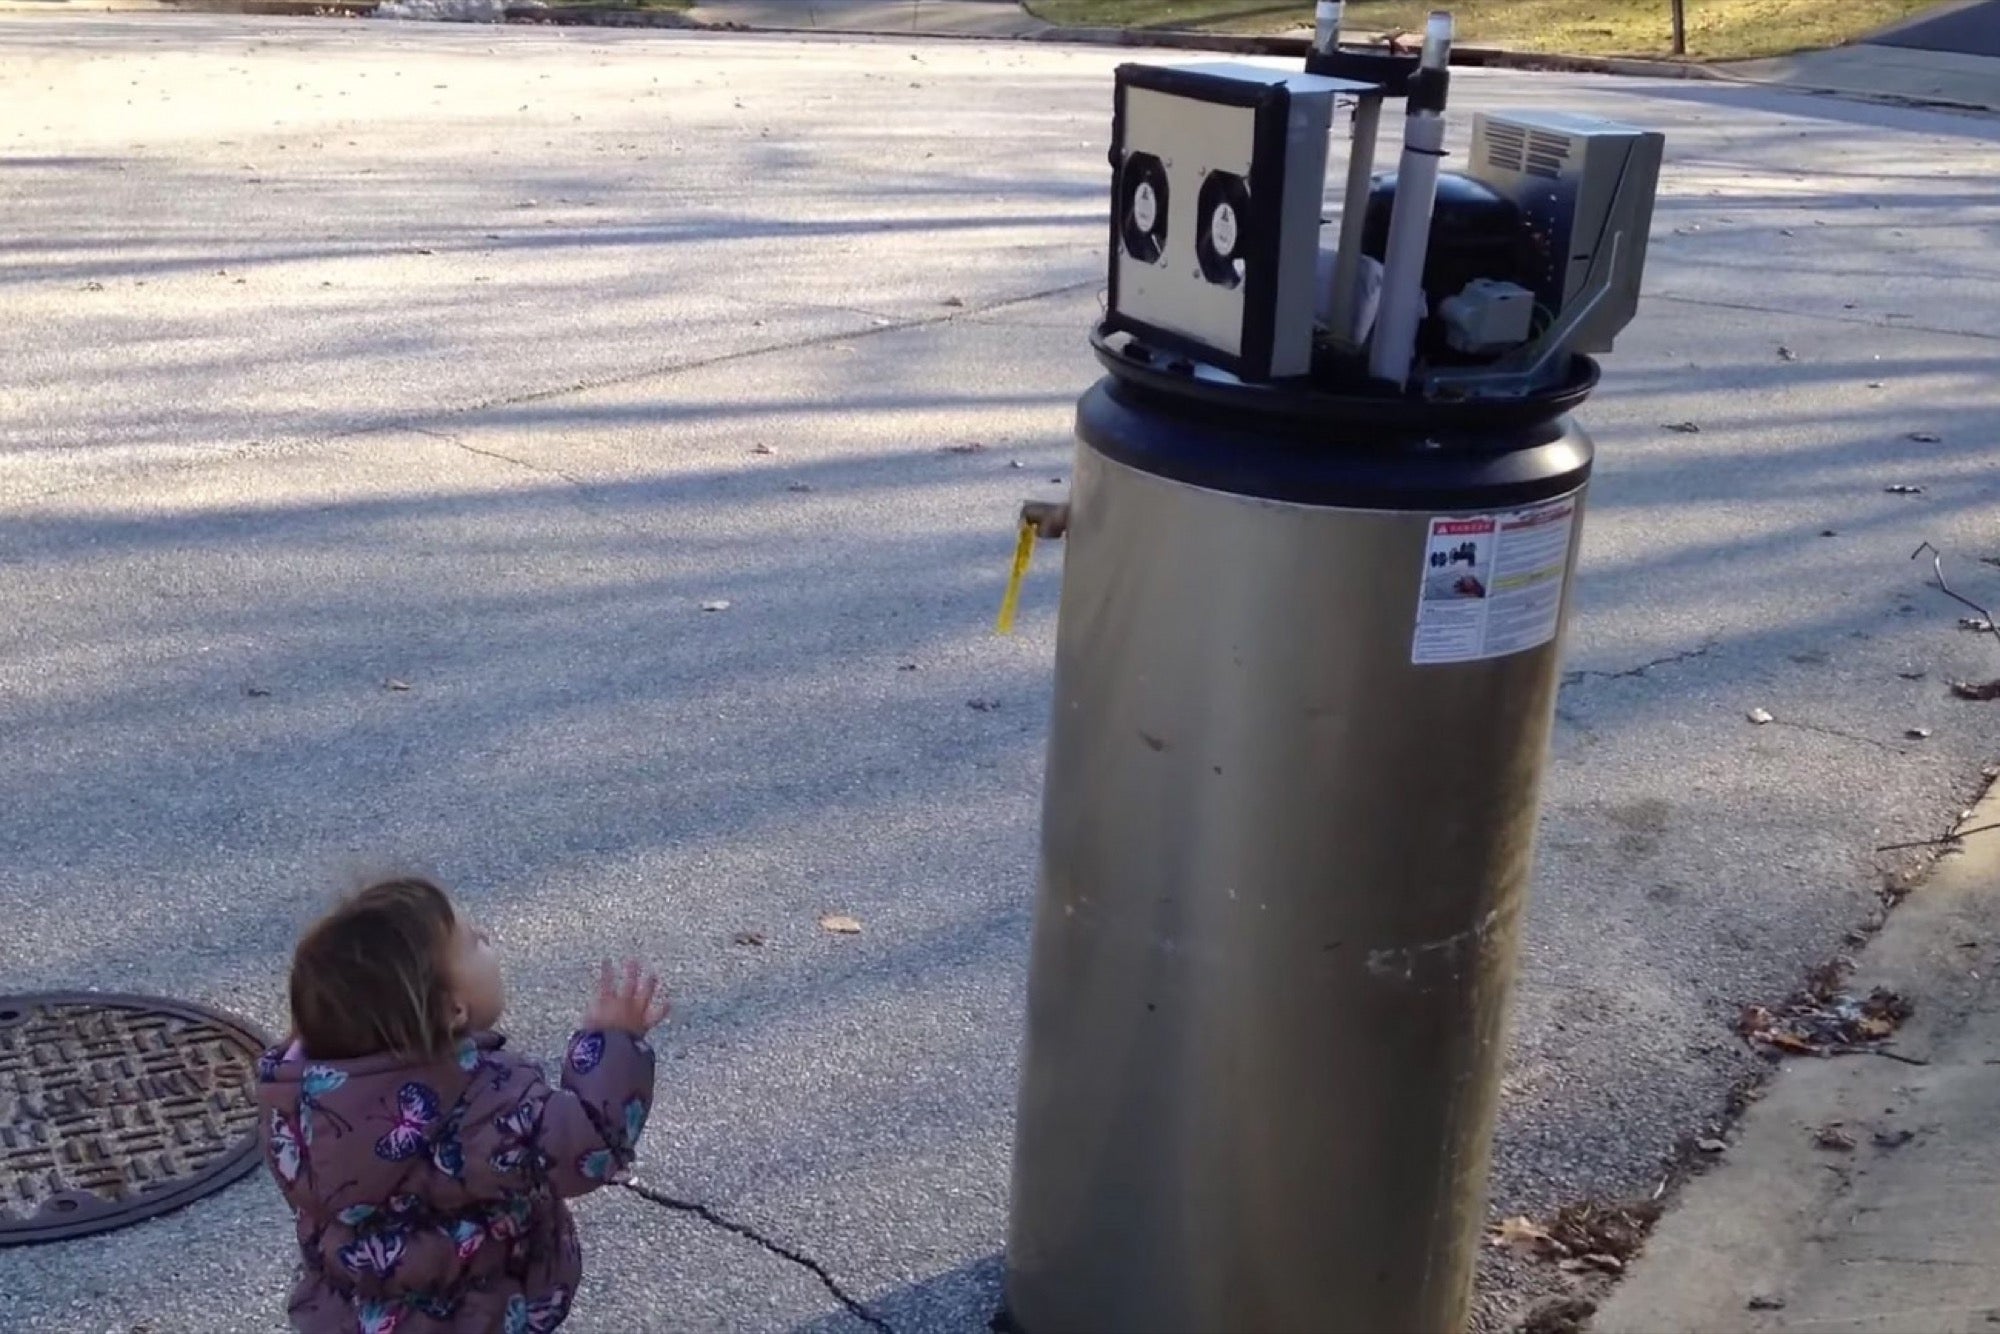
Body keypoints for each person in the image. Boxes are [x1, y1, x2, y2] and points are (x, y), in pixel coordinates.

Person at [256, 875, 670, 1333]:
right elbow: (591, 1141)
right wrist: (612, 1042)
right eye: (473, 942)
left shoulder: (300, 1103)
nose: (487, 937)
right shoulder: (486, 1100)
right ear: (452, 1010)